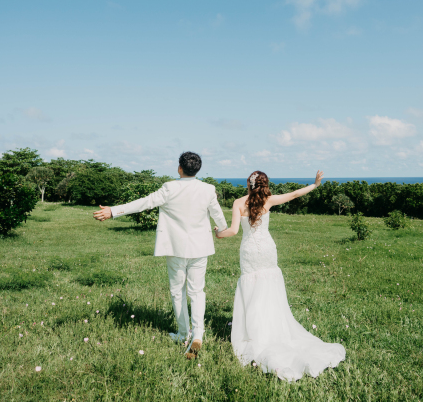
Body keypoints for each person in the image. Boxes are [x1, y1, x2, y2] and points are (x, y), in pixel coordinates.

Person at [94, 151, 228, 359]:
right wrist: (221, 228)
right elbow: (218, 215)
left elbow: (144, 203)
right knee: (197, 291)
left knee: (178, 291)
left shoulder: (169, 188)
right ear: (197, 169)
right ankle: (198, 334)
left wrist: (113, 211)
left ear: (179, 168)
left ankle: (184, 333)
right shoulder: (208, 189)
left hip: (175, 248)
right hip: (200, 248)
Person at [215, 170, 345, 381]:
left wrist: (217, 233)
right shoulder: (269, 200)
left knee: (252, 289)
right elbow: (294, 194)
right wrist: (314, 185)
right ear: (264, 185)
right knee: (269, 288)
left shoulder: (239, 203)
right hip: (267, 250)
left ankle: (255, 331)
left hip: (249, 251)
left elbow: (232, 231)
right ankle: (272, 325)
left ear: (248, 184)